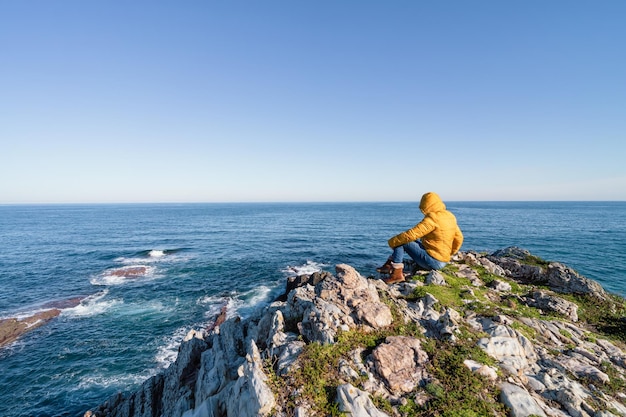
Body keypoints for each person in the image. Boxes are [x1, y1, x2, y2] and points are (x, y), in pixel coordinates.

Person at [377, 192, 463, 284]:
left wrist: (392, 242)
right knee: (409, 240)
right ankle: (389, 265)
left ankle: (396, 274)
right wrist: (449, 253)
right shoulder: (450, 216)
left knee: (401, 241)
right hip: (443, 261)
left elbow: (411, 234)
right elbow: (459, 238)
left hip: (433, 262)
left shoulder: (433, 218)